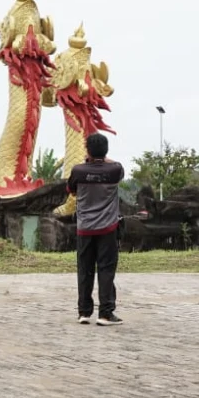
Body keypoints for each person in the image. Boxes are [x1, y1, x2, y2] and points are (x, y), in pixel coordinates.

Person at [66, 132, 125, 326]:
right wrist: (101, 159)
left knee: (85, 270)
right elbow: (115, 169)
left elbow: (72, 191)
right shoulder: (115, 169)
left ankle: (84, 312)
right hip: (108, 228)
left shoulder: (78, 171)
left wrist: (89, 161)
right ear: (106, 150)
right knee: (106, 270)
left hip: (84, 228)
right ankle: (106, 313)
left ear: (87, 150)